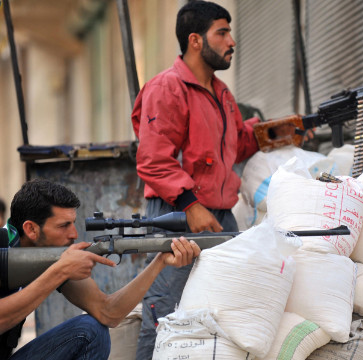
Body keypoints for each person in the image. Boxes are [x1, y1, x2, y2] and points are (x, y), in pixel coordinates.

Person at [130, 1, 260, 357]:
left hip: (218, 216)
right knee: (164, 311)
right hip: (179, 213)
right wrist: (190, 205)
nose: (231, 41)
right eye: (222, 32)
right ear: (196, 40)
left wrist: (281, 132)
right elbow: (153, 160)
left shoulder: (222, 94)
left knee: (232, 302)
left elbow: (239, 143)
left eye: (229, 32)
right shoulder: (167, 88)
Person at [0, 179, 200, 359]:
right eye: (63, 225)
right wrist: (60, 271)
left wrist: (159, 262)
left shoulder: (55, 259)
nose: (74, 234)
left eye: (73, 223)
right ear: (31, 229)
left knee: (91, 328)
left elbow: (108, 313)